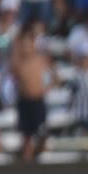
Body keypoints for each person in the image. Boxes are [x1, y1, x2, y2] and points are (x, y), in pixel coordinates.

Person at [10, 23, 54, 162]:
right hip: (24, 102)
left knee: (42, 134)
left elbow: (51, 77)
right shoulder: (19, 63)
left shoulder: (40, 60)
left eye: (28, 43)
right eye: (23, 44)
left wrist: (46, 87)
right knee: (26, 137)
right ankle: (27, 163)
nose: (26, 47)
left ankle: (41, 159)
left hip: (38, 101)